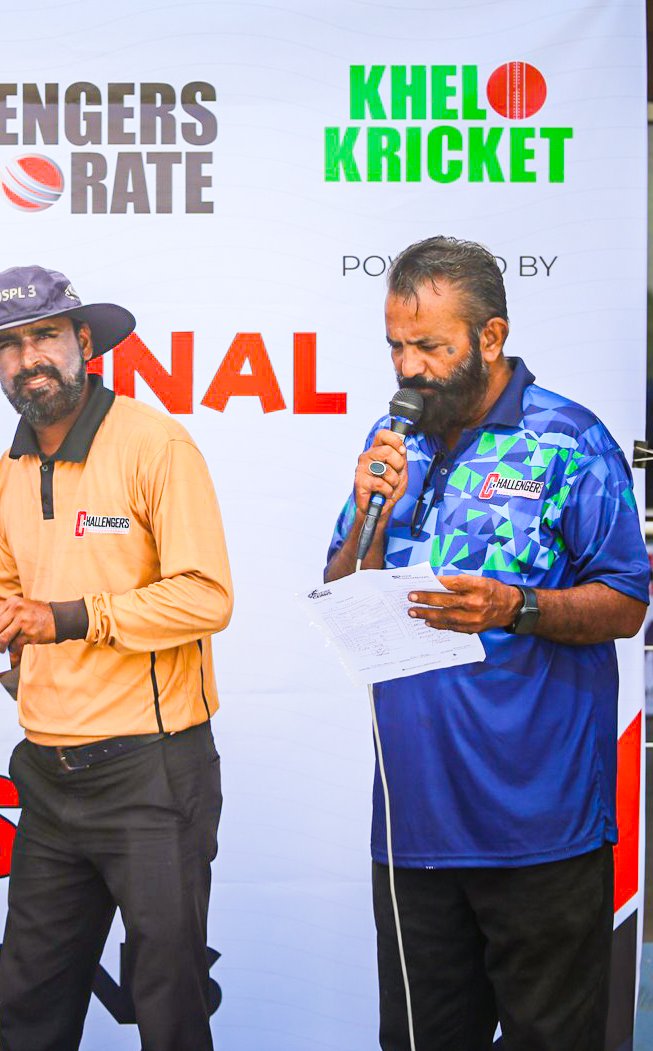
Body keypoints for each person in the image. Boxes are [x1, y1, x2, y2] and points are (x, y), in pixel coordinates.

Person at [324, 236, 649, 1051]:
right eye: (395, 345)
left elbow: (625, 601)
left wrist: (517, 606)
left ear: (490, 337)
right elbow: (342, 586)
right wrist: (365, 512)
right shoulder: (392, 438)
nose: (407, 368)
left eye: (429, 346)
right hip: (413, 826)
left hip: (541, 824)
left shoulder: (568, 440)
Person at [0, 266, 233, 1051]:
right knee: (30, 1009)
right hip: (48, 777)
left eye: (44, 335)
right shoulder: (11, 467)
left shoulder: (154, 442)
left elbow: (206, 598)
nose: (28, 357)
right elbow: (3, 619)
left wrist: (67, 617)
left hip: (150, 774)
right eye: (7, 345)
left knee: (167, 1009)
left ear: (83, 342)